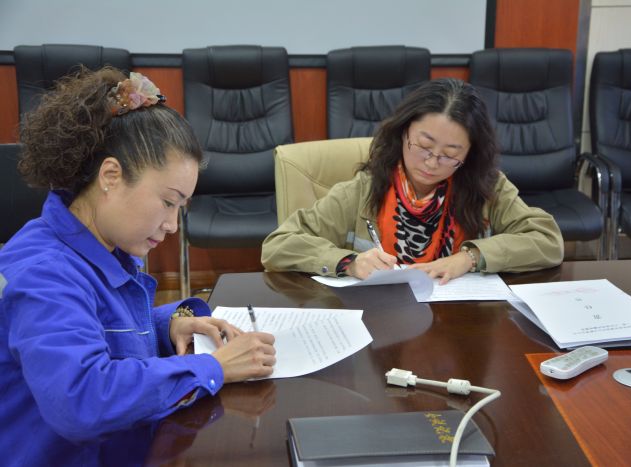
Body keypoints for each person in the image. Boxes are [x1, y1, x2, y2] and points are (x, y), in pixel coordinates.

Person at [0, 67, 276, 464]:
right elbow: (83, 399)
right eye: (167, 202)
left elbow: (95, 329)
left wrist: (168, 326)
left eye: (181, 208)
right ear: (111, 176)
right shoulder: (44, 273)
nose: (172, 225)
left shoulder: (103, 243)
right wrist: (212, 367)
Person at [261, 78, 564, 282]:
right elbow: (278, 245)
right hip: (380, 323)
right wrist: (348, 262)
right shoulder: (362, 190)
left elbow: (547, 241)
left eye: (450, 154)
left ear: (470, 154)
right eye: (423, 146)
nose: (432, 163)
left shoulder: (488, 188)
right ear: (403, 131)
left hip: (462, 325)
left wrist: (470, 258)